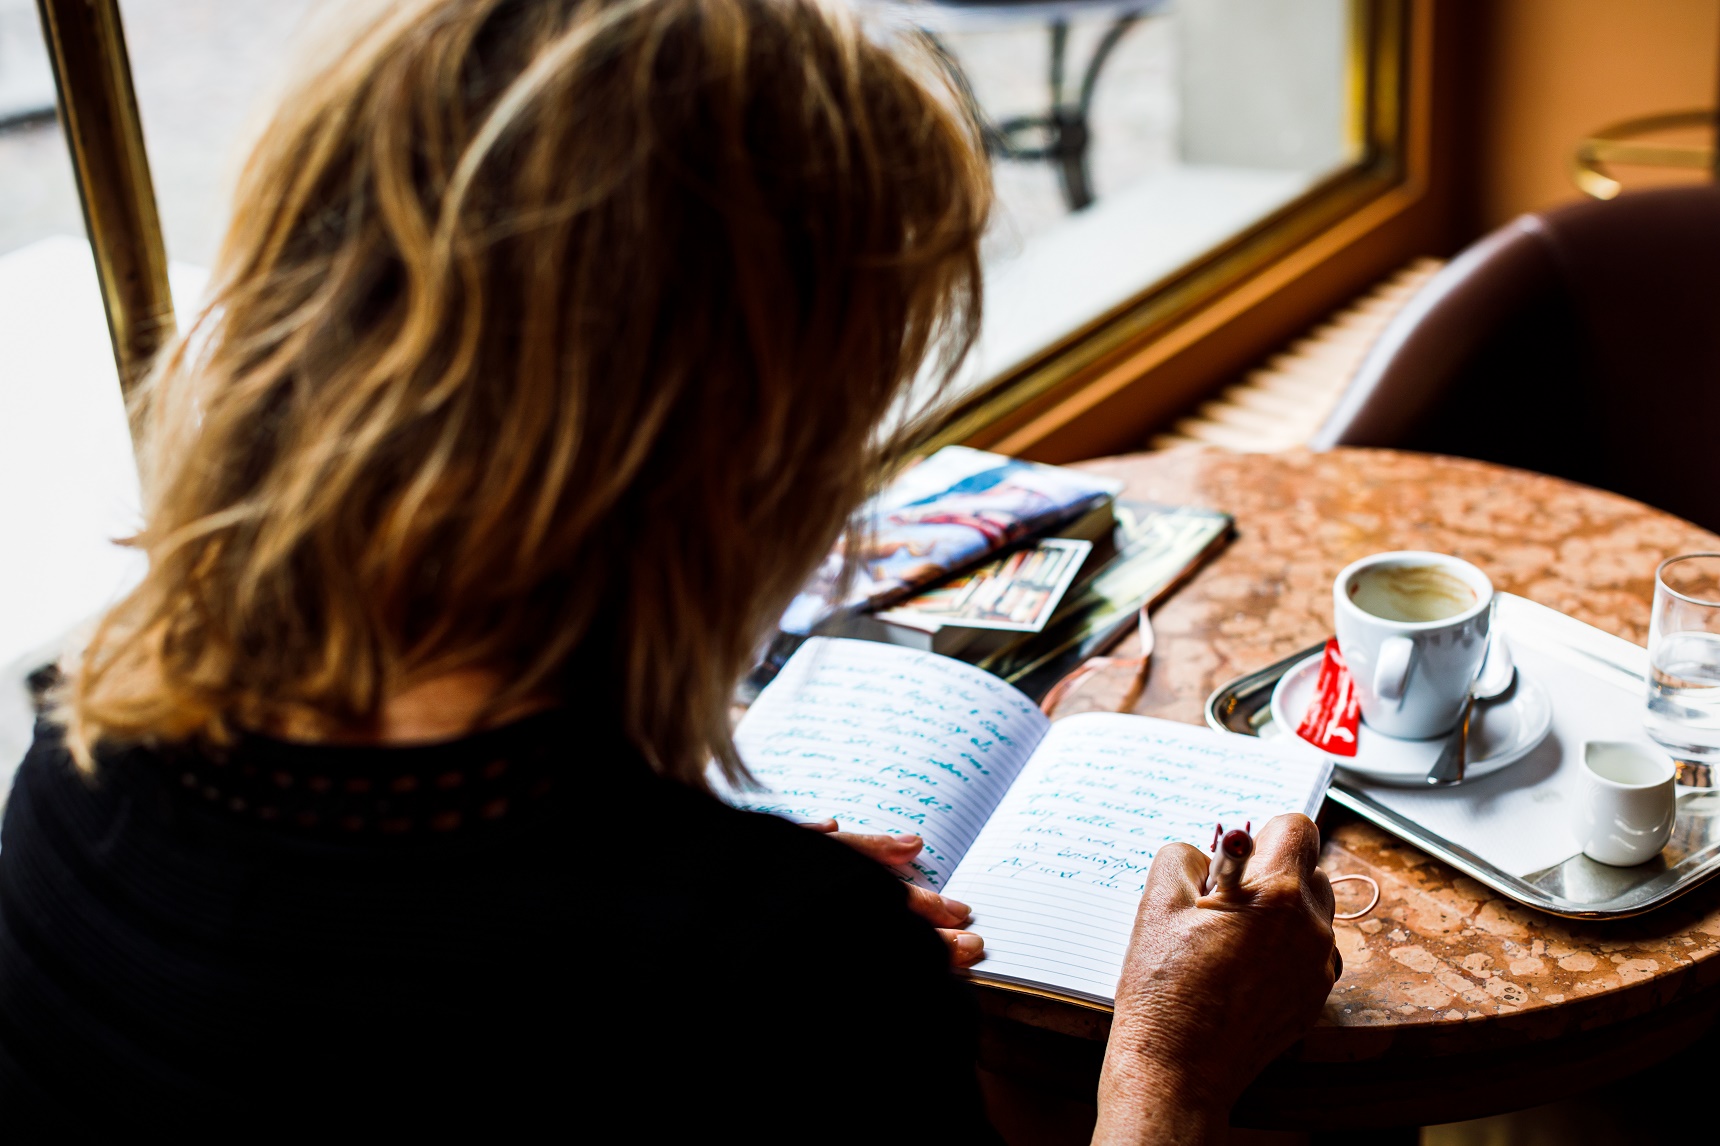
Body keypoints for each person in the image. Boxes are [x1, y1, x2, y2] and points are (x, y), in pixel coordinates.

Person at [0, 0, 1338, 1139]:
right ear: (720, 462)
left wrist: (711, 884)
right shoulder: (782, 977)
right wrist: (1166, 1068)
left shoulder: (78, 755)